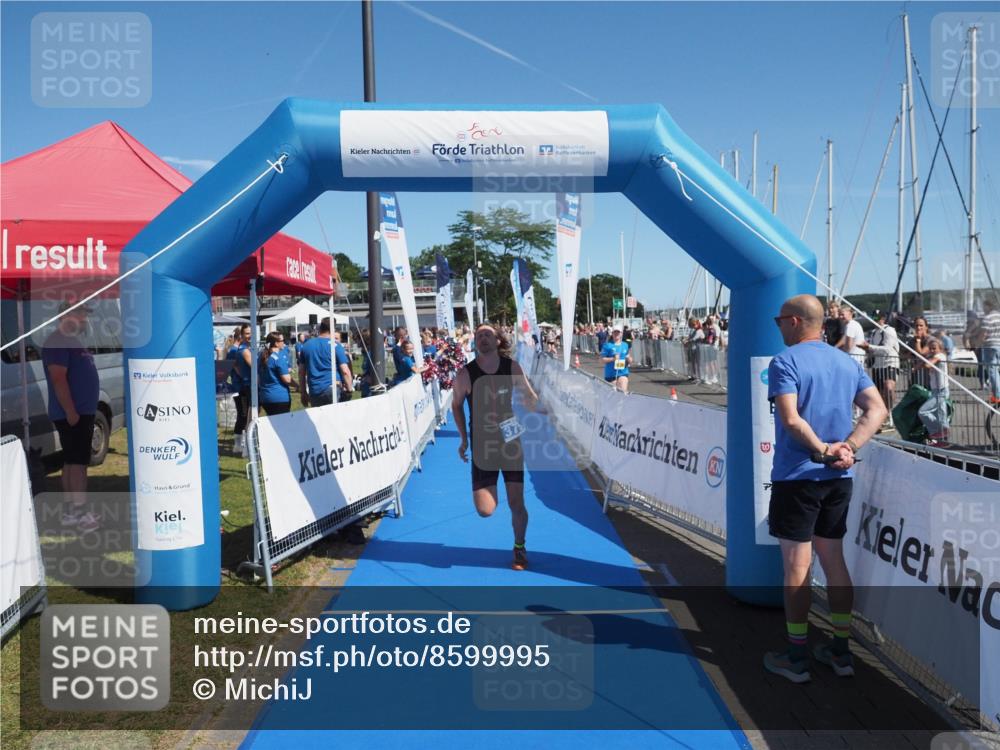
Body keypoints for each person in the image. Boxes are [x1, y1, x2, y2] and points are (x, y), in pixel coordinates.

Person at [764, 294, 887, 684]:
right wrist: (847, 448)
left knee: (798, 567)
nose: (778, 325)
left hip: (800, 477)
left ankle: (797, 656)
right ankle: (839, 650)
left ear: (797, 321)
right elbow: (878, 410)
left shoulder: (785, 361)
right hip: (837, 479)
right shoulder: (846, 362)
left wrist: (823, 451)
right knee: (833, 561)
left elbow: (790, 419)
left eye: (780, 319)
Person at [451, 323, 542, 571]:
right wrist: (463, 439)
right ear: (475, 342)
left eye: (488, 335)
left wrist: (541, 407)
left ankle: (520, 548)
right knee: (485, 510)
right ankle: (491, 491)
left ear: (498, 341)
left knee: (516, 502)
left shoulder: (511, 367)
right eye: (479, 335)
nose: (483, 338)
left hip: (510, 437)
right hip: (482, 444)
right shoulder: (466, 374)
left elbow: (528, 396)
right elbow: (456, 405)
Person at [42, 301, 102, 533]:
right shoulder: (57, 341)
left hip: (79, 413)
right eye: (82, 314)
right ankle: (80, 513)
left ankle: (70, 513)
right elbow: (58, 378)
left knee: (71, 461)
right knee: (78, 464)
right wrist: (70, 411)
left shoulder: (70, 341)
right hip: (73, 413)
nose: (85, 319)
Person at [859, 310, 899, 432]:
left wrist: (869, 347)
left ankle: (888, 413)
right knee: (879, 392)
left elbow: (888, 349)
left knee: (888, 387)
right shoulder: (874, 332)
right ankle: (882, 417)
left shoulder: (889, 330)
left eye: (877, 318)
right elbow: (873, 350)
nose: (874, 320)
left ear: (883, 318)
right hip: (878, 365)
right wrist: (867, 350)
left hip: (889, 363)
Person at [298, 317, 352, 407]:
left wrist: (303, 392)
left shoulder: (306, 345)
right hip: (332, 389)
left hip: (314, 390)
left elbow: (301, 372)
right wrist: (349, 389)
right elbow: (345, 371)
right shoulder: (336, 346)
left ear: (320, 328)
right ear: (333, 329)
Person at [917, 337, 950, 445]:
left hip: (941, 390)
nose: (931, 350)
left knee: (923, 412)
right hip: (936, 390)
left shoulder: (940, 356)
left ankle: (940, 430)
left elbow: (927, 364)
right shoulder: (932, 356)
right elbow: (921, 364)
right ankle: (941, 438)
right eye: (930, 348)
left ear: (940, 348)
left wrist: (925, 361)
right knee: (941, 414)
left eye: (934, 348)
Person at [230, 324, 254, 456]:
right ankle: (241, 446)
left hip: (246, 385)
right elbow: (233, 366)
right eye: (247, 333)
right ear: (241, 335)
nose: (249, 336)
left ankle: (243, 445)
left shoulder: (247, 348)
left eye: (251, 333)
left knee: (248, 415)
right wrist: (242, 376)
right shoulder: (237, 350)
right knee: (244, 416)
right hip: (241, 387)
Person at [258, 332, 292, 416]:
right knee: (282, 427)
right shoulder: (278, 358)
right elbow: (287, 379)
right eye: (282, 340)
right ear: (276, 343)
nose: (284, 342)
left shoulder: (261, 356)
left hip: (265, 397)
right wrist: (298, 386)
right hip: (279, 398)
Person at [980, 297, 1000, 402]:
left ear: (988, 306)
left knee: (992, 371)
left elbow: (984, 333)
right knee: (997, 369)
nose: (983, 309)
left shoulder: (987, 318)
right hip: (999, 345)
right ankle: (997, 394)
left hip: (990, 345)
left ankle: (997, 395)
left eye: (984, 306)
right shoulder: (999, 316)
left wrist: (979, 343)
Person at [601, 325, 632, 392]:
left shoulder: (625, 345)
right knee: (613, 396)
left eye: (618, 332)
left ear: (621, 334)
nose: (616, 334)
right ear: (612, 333)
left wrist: (629, 359)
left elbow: (628, 357)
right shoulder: (607, 345)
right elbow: (601, 360)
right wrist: (613, 359)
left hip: (623, 373)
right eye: (615, 332)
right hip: (610, 375)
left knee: (623, 393)